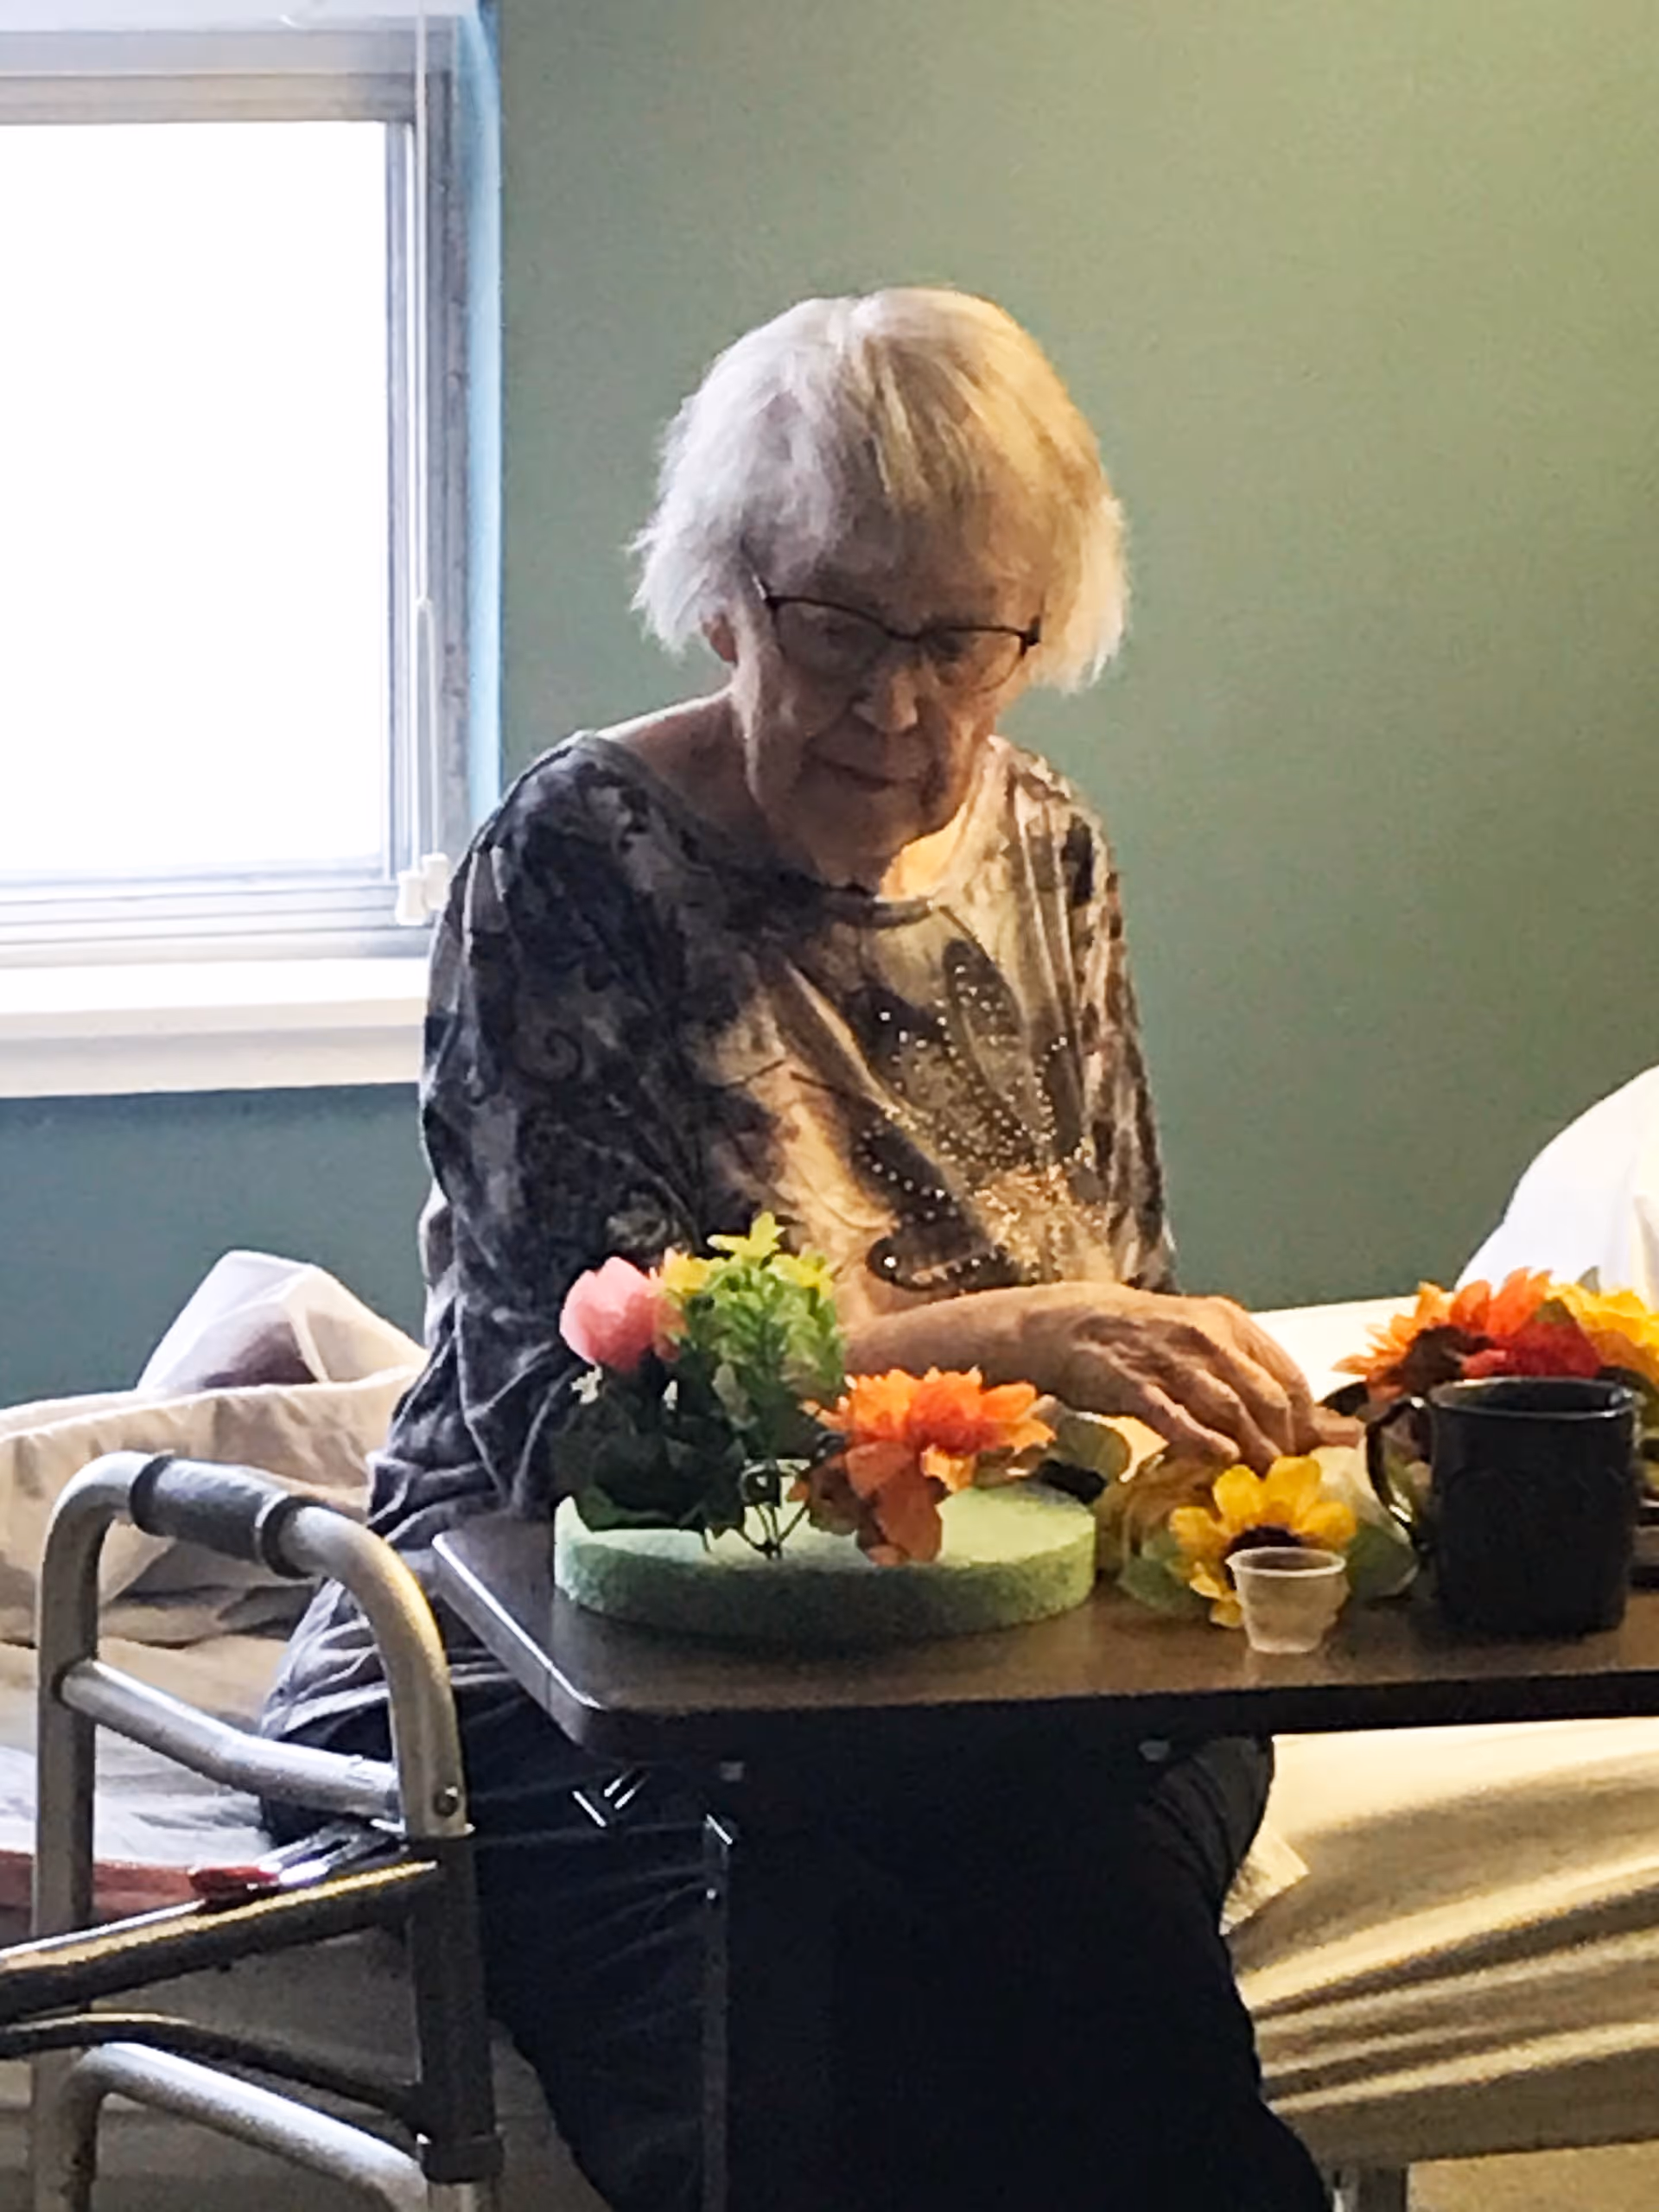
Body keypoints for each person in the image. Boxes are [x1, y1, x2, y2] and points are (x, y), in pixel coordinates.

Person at [263, 287, 1331, 2210]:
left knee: (1079, 1931)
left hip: (1010, 1656)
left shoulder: (1053, 851)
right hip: (583, 1651)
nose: (898, 706)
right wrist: (999, 1338)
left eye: (963, 639)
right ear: (723, 601)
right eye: (838, 624)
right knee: (822, 1997)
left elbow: (1127, 1299)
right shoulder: (579, 861)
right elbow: (556, 1431)